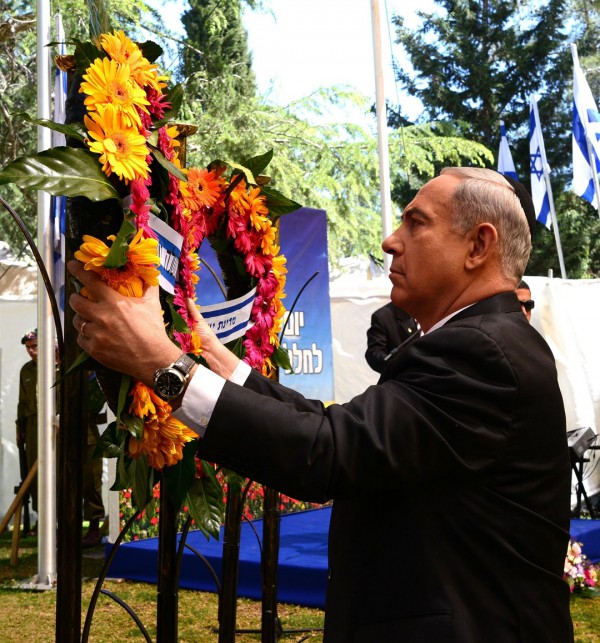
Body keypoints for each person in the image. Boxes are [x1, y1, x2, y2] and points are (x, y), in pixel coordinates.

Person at [68, 167, 573, 641]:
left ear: (478, 246)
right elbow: (344, 428)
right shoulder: (481, 340)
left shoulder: (482, 349)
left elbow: (330, 453)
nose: (390, 240)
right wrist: (217, 361)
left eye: (415, 223)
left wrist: (162, 367)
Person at [16, 329, 39, 530]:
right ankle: (42, 516)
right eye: (28, 348)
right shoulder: (26, 370)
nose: (31, 351)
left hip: (55, 425)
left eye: (35, 346)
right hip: (32, 426)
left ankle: (59, 516)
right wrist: (19, 428)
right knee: (34, 472)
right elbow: (22, 403)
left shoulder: (57, 367)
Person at [365, 301, 418, 373]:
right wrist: (399, 366)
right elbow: (374, 354)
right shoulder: (384, 316)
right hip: (404, 379)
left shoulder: (436, 312)